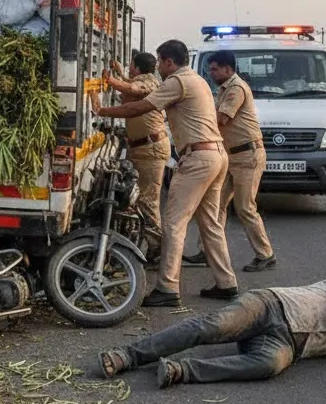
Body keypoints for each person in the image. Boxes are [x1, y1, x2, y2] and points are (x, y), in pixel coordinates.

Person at [92, 39, 237, 308]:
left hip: (198, 158)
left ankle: (167, 288)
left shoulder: (177, 82)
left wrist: (102, 110)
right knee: (210, 224)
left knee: (173, 223)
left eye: (160, 61)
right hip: (216, 155)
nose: (158, 66)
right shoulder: (198, 80)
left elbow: (142, 106)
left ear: (170, 62)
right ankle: (226, 283)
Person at [97, 274, 326, 387]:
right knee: (212, 326)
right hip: (270, 306)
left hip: (284, 343)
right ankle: (128, 355)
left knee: (269, 365)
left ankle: (181, 371)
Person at [183, 51, 276, 272]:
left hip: (247, 156)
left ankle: (265, 254)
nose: (211, 73)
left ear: (228, 69)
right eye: (211, 69)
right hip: (232, 155)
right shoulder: (225, 89)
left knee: (245, 207)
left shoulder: (236, 88)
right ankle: (207, 251)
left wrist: (193, 118)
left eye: (215, 69)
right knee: (215, 205)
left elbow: (222, 119)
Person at [101, 52, 168, 251]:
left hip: (150, 149)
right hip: (143, 148)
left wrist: (110, 79)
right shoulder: (145, 80)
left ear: (137, 68)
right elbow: (130, 83)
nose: (129, 69)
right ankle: (152, 245)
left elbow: (132, 87)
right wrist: (119, 74)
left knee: (147, 200)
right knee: (137, 198)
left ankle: (157, 249)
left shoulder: (148, 82)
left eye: (131, 66)